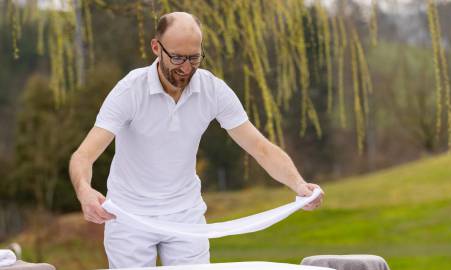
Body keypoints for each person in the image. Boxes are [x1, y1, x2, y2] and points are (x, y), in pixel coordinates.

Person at [69, 11, 324, 269]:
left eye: (194, 57)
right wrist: (85, 191)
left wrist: (298, 184)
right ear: (156, 47)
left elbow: (260, 148)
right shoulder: (129, 91)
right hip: (128, 216)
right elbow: (83, 156)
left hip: (185, 216)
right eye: (178, 57)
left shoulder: (213, 90)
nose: (187, 68)